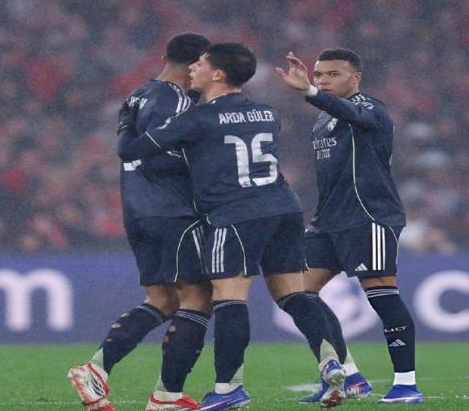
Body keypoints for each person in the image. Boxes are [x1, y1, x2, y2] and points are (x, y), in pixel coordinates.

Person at [118, 43, 350, 410]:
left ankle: (229, 388)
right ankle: (331, 362)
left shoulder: (196, 119)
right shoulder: (267, 113)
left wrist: (127, 120)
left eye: (200, 64)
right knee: (294, 294)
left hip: (236, 213)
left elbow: (130, 151)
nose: (192, 69)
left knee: (229, 298)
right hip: (284, 208)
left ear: (217, 74)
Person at [67, 33, 212, 411]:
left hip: (138, 209)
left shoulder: (138, 95)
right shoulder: (176, 100)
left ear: (164, 57)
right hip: (172, 210)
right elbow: (161, 153)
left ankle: (95, 369)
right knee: (198, 296)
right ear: (197, 65)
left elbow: (133, 149)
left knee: (163, 299)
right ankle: (166, 396)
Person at [277, 48, 424, 404]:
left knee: (382, 296)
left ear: (355, 77)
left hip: (369, 216)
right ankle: (351, 376)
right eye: (318, 75)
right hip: (328, 222)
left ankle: (406, 384)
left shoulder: (371, 108)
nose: (323, 81)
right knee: (297, 291)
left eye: (333, 74)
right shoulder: (322, 120)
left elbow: (351, 113)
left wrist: (310, 92)